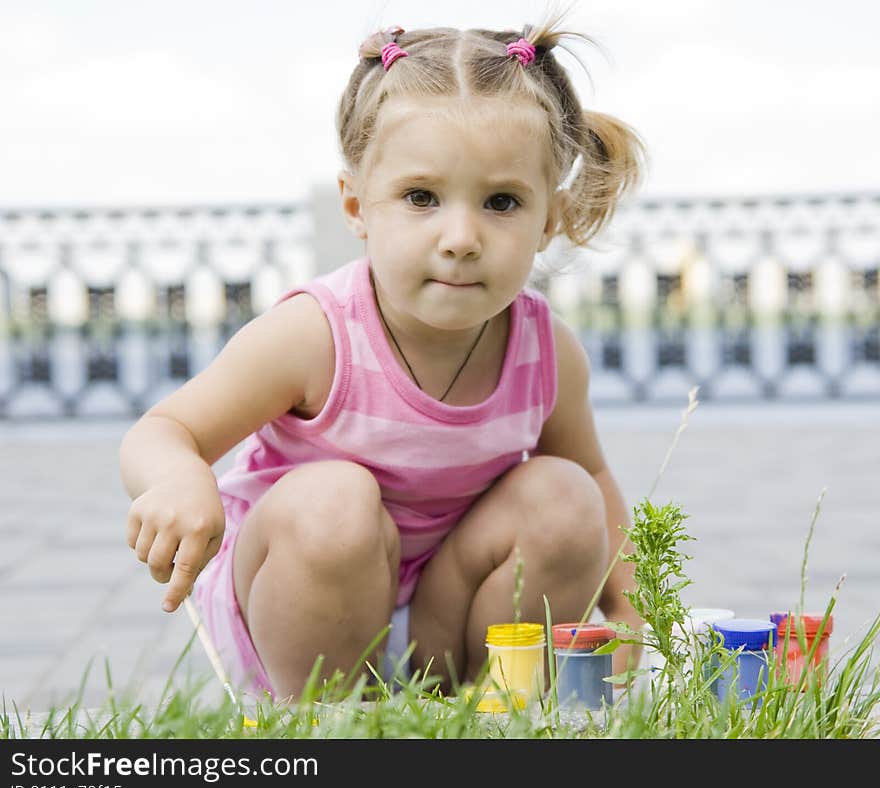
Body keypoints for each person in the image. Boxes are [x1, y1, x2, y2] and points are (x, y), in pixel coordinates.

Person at [119, 12, 646, 703]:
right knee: (334, 503)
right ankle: (329, 722)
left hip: (448, 614)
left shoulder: (545, 351)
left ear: (549, 217)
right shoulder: (314, 334)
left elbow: (597, 478)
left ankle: (491, 705)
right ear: (357, 203)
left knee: (566, 494)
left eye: (501, 202)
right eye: (422, 197)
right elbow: (161, 430)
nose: (461, 237)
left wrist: (634, 608)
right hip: (306, 612)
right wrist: (182, 480)